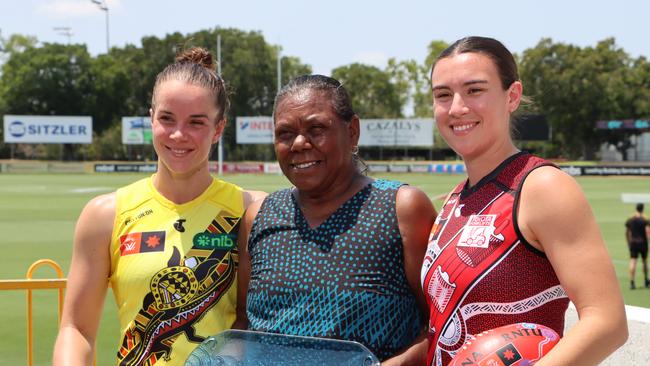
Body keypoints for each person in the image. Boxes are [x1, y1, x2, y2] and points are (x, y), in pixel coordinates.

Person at [421, 36, 628, 365]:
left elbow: (607, 322)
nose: (457, 107)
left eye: (475, 90)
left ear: (512, 96)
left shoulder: (541, 186)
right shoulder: (455, 199)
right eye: (443, 95)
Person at [53, 47, 265, 366]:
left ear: (218, 128)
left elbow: (252, 326)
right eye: (167, 118)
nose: (179, 135)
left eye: (196, 122)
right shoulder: (104, 215)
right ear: (151, 118)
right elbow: (76, 329)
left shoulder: (251, 209)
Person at [236, 74, 437, 365]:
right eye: (285, 133)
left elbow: (439, 325)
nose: (300, 143)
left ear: (352, 131)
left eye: (316, 128)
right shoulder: (259, 215)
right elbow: (244, 323)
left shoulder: (401, 208)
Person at [625, 203, 649, 289]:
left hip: (633, 243)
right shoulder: (645, 220)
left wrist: (628, 242)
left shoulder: (630, 219)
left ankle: (632, 282)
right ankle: (646, 280)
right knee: (644, 261)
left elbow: (627, 232)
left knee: (633, 261)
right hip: (643, 243)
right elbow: (648, 232)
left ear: (636, 209)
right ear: (642, 209)